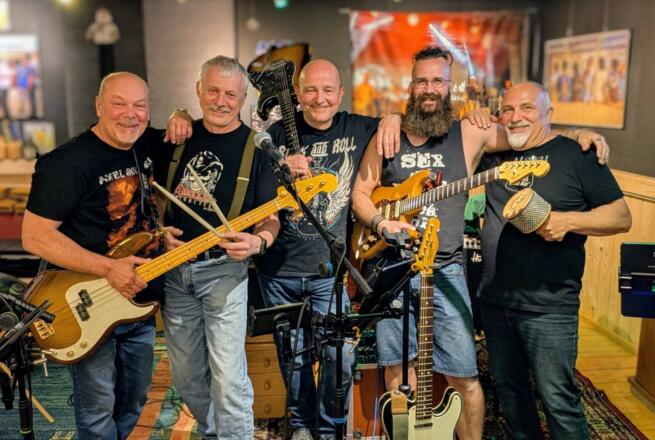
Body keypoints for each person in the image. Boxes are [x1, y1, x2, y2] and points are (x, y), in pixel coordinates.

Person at [351, 46, 609, 440]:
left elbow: (530, 134)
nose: (429, 88)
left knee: (464, 374)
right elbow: (361, 194)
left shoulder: (469, 132)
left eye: (438, 81)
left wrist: (577, 135)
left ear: (449, 87)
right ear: (411, 85)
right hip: (394, 270)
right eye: (422, 81)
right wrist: (380, 221)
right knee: (399, 370)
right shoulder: (388, 136)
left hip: (446, 269)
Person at [255, 59, 399, 440]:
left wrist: (393, 117)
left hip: (328, 273)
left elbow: (395, 125)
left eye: (328, 90)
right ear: (297, 93)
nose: (320, 98)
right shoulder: (272, 137)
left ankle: (329, 427)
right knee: (293, 358)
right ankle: (302, 425)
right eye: (311, 90)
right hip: (278, 271)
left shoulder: (357, 128)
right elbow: (254, 188)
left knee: (340, 355)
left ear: (340, 94)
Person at [479, 81, 631, 439]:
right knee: (511, 394)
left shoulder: (576, 154)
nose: (516, 117)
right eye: (508, 109)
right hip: (495, 301)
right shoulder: (496, 155)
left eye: (527, 108)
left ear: (548, 114)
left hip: (549, 307)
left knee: (558, 401)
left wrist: (568, 221)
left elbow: (621, 216)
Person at [22, 72, 160, 439]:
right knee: (97, 410)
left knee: (134, 400)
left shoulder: (144, 144)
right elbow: (34, 237)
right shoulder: (66, 163)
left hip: (137, 299)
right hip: (87, 303)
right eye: (119, 104)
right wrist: (108, 268)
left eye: (140, 105)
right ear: (98, 106)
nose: (130, 114)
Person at [151, 55, 280, 440]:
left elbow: (271, 217)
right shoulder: (176, 138)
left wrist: (258, 241)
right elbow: (151, 197)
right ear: (198, 91)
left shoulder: (257, 149)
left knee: (228, 378)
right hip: (175, 274)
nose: (221, 102)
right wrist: (158, 230)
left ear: (243, 99)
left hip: (224, 271)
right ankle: (213, 433)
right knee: (187, 377)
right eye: (212, 91)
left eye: (230, 95)